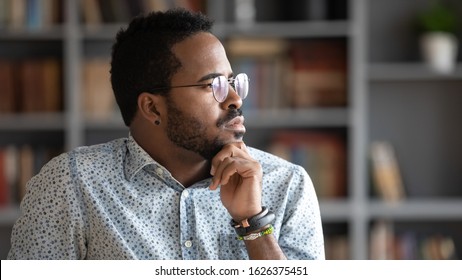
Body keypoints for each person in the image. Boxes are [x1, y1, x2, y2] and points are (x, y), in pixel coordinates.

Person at [8, 8, 324, 260]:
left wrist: (253, 222)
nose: (235, 99)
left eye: (232, 81)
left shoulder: (286, 184)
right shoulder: (72, 184)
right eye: (212, 85)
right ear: (152, 108)